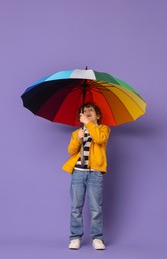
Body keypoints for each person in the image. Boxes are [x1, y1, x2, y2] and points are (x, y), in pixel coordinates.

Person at [62, 102, 111, 250]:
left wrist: (88, 124)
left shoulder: (103, 129)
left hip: (95, 173)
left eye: (91, 110)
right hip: (78, 172)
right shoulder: (77, 132)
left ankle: (97, 238)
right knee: (76, 207)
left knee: (96, 207)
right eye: (84, 111)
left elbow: (100, 139)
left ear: (98, 115)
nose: (87, 112)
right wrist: (78, 137)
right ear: (80, 116)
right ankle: (75, 237)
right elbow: (71, 151)